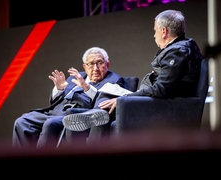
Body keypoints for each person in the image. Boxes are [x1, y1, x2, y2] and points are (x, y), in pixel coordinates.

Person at [62, 9, 205, 143]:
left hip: (164, 108)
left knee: (106, 109)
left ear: (164, 31)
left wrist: (127, 98)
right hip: (160, 103)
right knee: (104, 110)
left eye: (154, 31)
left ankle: (93, 126)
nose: (154, 35)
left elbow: (161, 89)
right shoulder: (183, 47)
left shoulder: (177, 52)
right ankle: (94, 120)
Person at [12, 46, 124, 148]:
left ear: (107, 64)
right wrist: (59, 89)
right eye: (91, 64)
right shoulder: (73, 77)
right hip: (54, 112)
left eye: (100, 63)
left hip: (76, 114)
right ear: (84, 66)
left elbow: (102, 103)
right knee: (22, 122)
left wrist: (86, 87)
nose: (95, 68)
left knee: (49, 124)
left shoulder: (114, 80)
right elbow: (54, 102)